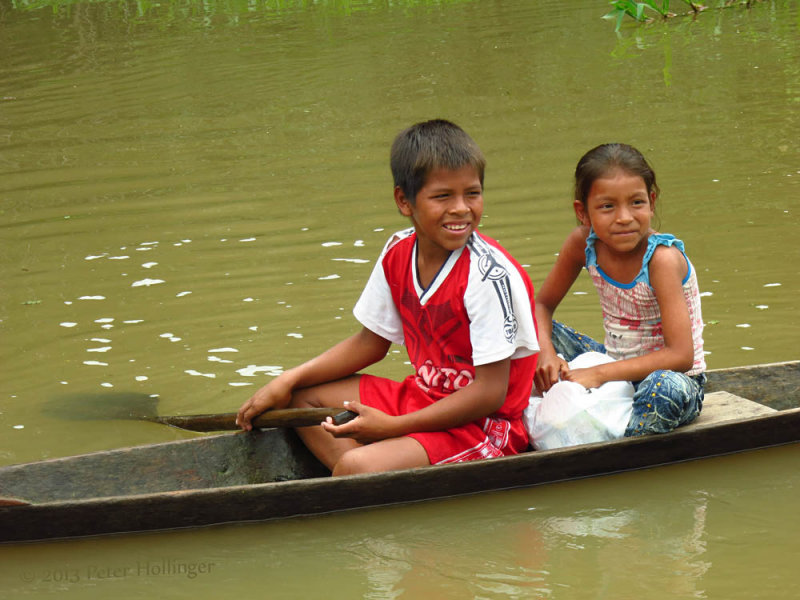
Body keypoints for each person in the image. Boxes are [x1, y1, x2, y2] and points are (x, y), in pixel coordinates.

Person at [237, 119, 539, 475]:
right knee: (300, 400)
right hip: (423, 398)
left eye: (472, 193)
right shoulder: (398, 252)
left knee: (357, 468)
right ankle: (370, 476)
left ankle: (362, 473)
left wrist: (393, 427)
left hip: (483, 427)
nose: (461, 208)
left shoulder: (488, 274)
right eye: (442, 196)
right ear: (404, 201)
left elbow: (490, 394)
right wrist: (286, 379)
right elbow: (371, 342)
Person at [533, 143, 706, 436]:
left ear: (652, 202)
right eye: (607, 206)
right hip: (614, 364)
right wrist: (547, 356)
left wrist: (597, 375)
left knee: (661, 390)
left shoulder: (661, 259)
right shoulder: (582, 244)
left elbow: (680, 356)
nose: (624, 217)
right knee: (517, 330)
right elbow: (541, 306)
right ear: (583, 211)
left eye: (636, 203)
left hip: (673, 379)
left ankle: (621, 442)